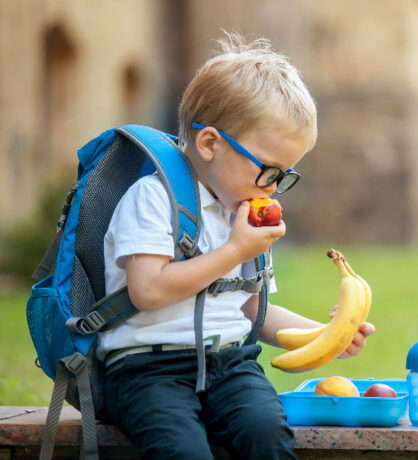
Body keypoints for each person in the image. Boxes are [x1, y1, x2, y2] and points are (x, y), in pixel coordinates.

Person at [99, 31, 375, 460]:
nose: (273, 186)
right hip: (146, 369)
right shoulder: (154, 199)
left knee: (267, 434)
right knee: (183, 451)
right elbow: (147, 290)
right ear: (210, 143)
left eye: (284, 175)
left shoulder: (244, 215)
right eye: (268, 169)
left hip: (229, 363)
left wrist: (328, 336)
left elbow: (252, 310)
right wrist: (233, 251)